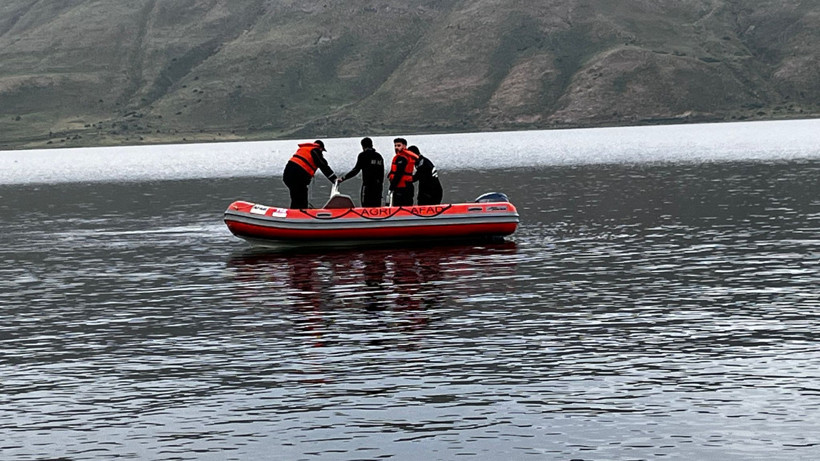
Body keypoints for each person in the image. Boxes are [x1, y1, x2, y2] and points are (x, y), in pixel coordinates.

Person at [282, 140, 337, 209]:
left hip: (287, 174)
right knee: (301, 196)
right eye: (322, 151)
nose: (322, 153)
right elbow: (323, 166)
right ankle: (301, 213)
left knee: (296, 196)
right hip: (297, 176)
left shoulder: (304, 149)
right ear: (320, 148)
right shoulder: (315, 150)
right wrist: (334, 179)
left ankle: (295, 212)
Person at [337, 137, 384, 207]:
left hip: (367, 186)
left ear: (363, 146)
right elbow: (382, 174)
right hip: (378, 187)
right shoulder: (379, 156)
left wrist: (343, 178)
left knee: (365, 206)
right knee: (376, 206)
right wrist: (380, 187)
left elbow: (356, 170)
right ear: (372, 145)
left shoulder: (363, 155)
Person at [387, 137, 419, 206]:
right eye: (395, 146)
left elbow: (399, 174)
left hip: (402, 187)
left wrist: (391, 187)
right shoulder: (404, 157)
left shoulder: (403, 158)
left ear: (404, 146)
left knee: (401, 205)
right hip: (405, 186)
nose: (396, 148)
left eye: (399, 146)